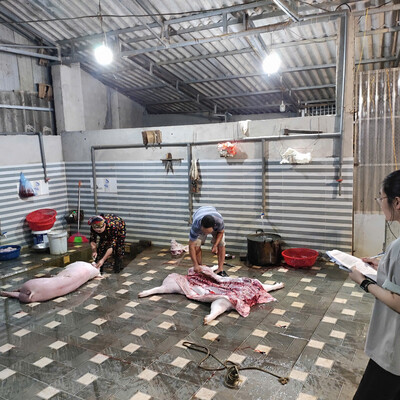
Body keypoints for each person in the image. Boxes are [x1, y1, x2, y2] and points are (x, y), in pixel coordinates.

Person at [349, 170, 400, 400]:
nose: (380, 204)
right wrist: (380, 264)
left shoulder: (399, 248)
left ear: (396, 202)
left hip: (394, 352)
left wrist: (364, 282)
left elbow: (397, 301)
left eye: (381, 198)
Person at [189, 206, 228, 276]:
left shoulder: (219, 221)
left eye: (208, 232)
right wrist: (195, 265)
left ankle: (220, 269)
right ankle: (199, 267)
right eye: (205, 232)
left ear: (214, 226)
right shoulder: (196, 226)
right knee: (196, 246)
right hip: (199, 213)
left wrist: (215, 245)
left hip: (212, 214)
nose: (206, 234)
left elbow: (221, 232)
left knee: (221, 244)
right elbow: (191, 245)